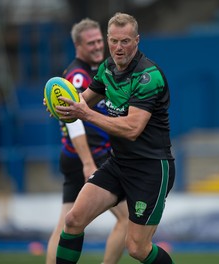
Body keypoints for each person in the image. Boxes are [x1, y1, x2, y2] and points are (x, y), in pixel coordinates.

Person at [53, 12, 175, 264]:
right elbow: (82, 101)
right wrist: (60, 104)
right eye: (114, 41)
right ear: (108, 39)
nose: (119, 48)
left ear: (137, 41)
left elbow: (132, 128)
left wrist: (85, 115)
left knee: (137, 249)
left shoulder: (148, 76)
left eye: (126, 41)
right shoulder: (107, 68)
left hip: (150, 168)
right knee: (73, 220)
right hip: (119, 163)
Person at [46, 18, 128, 264]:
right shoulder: (79, 75)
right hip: (91, 156)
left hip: (74, 156)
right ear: (77, 46)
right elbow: (75, 121)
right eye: (90, 43)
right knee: (128, 219)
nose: (96, 46)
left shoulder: (94, 70)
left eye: (99, 41)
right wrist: (88, 163)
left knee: (65, 223)